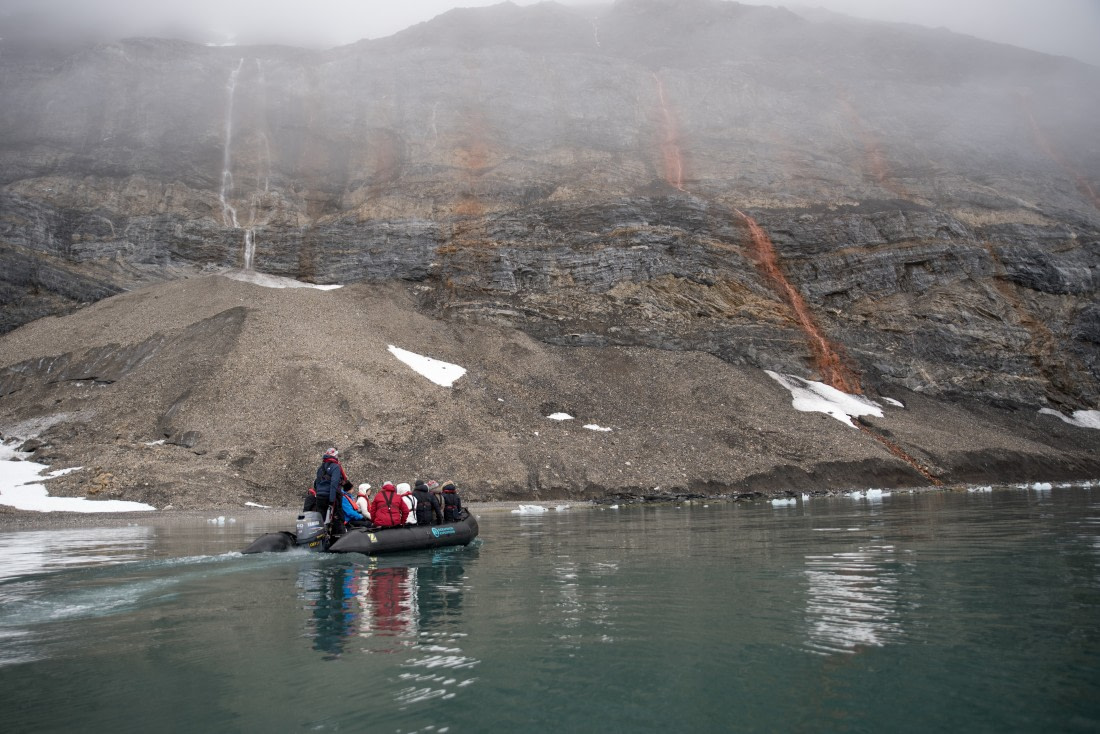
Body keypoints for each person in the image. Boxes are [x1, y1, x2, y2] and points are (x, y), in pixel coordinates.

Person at [306, 447, 350, 534]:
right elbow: (334, 483)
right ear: (334, 456)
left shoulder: (321, 468)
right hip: (332, 495)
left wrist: (318, 494)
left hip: (320, 496)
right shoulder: (336, 467)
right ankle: (339, 536)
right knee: (338, 516)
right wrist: (332, 499)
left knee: (320, 517)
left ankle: (317, 536)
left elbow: (317, 483)